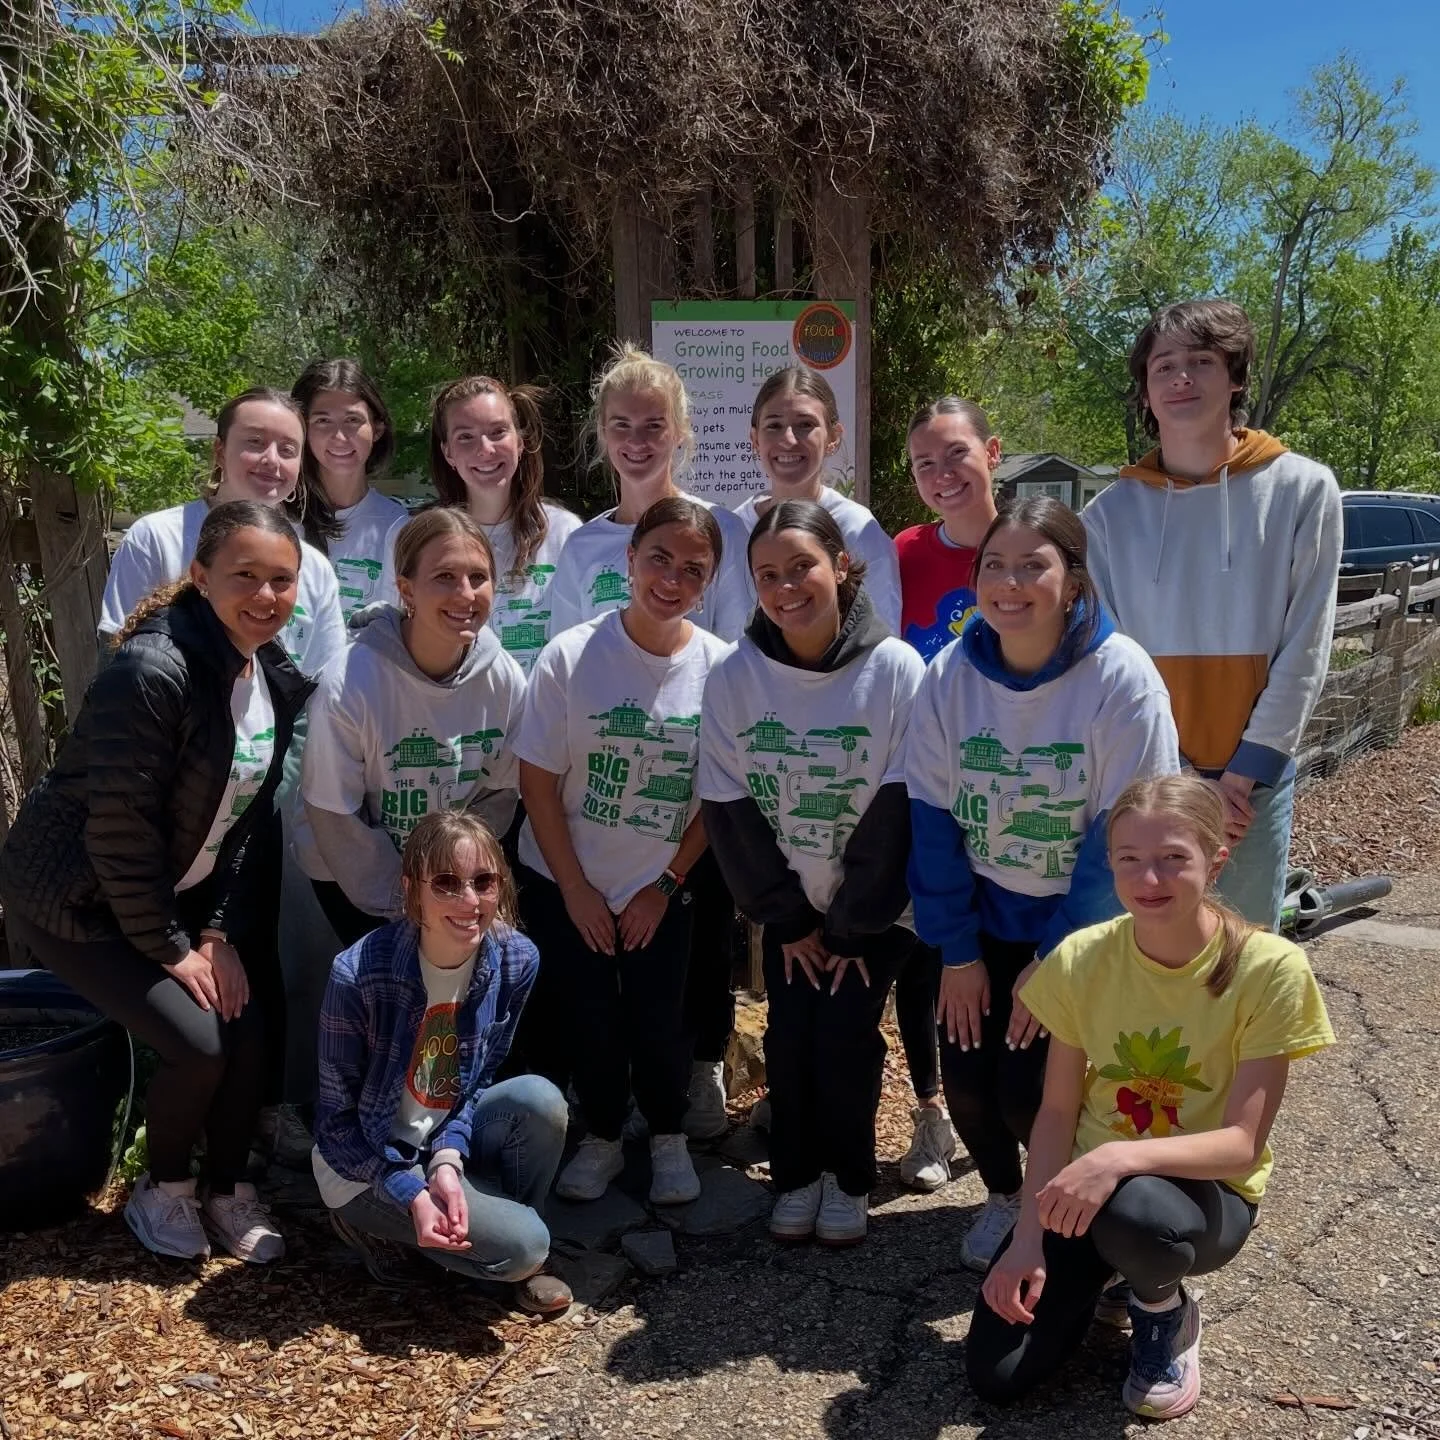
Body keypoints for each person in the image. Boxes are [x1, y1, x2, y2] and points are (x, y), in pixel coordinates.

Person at [0, 502, 314, 1262]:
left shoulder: (267, 674)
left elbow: (241, 823)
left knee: (250, 1023)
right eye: (245, 576)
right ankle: (164, 1188)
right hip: (71, 896)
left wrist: (218, 933)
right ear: (201, 577)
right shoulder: (151, 670)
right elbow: (119, 833)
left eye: (282, 580)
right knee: (200, 1041)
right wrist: (173, 948)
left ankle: (229, 1191)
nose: (266, 595)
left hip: (166, 899)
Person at [967, 775, 1334, 1420]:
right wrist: (1028, 1238)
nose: (1150, 880)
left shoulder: (1269, 968)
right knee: (998, 1376)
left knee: (1135, 1212)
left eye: (1174, 858)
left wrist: (1115, 1160)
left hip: (1197, 1195)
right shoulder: (1082, 957)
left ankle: (1162, 1308)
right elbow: (1056, 1112)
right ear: (1109, 862)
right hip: (1085, 1190)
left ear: (1215, 859)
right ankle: (1105, 1275)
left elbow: (1240, 1145)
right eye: (1130, 859)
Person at [905, 496, 1179, 1272]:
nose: (1010, 583)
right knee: (967, 1081)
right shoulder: (949, 676)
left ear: (1073, 579)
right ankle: (1004, 1195)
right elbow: (932, 820)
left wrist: (1056, 959)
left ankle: (1064, 1206)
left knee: (1034, 1089)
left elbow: (1125, 835)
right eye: (995, 564)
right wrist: (957, 953)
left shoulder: (1121, 679)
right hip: (982, 915)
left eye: (1034, 565)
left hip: (1083, 919)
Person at [699, 499, 924, 1246]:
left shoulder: (894, 670)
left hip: (876, 909)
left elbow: (902, 802)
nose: (787, 586)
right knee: (794, 1038)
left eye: (803, 567)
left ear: (842, 565)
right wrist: (788, 918)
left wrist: (853, 926)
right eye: (768, 574)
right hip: (791, 909)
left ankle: (850, 1177)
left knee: (847, 1037)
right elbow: (728, 805)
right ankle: (797, 1173)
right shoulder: (736, 677)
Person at [1082, 299, 1343, 929]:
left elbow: (1307, 644)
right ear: (1145, 391)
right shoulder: (1107, 517)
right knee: (1133, 956)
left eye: (1202, 361)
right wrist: (1170, 779)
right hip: (1144, 779)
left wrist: (1242, 776)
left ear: (1236, 378)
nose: (1182, 378)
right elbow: (1108, 659)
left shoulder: (1304, 491)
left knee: (1240, 960)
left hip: (1249, 790)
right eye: (1164, 365)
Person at [548, 344, 751, 1138]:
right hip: (608, 763)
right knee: (603, 935)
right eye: (623, 425)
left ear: (682, 434)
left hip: (696, 759)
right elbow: (563, 659)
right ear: (602, 435)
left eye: (655, 425)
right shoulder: (583, 546)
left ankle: (698, 1065)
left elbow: (736, 644)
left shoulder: (718, 529)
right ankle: (609, 1089)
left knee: (695, 926)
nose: (639, 440)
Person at [514, 497, 732, 1206]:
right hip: (565, 875)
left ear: (710, 585)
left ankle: (667, 1136)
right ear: (630, 559)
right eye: (659, 558)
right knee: (588, 1013)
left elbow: (718, 799)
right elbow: (539, 782)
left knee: (662, 1013)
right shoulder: (571, 656)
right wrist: (575, 889)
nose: (672, 579)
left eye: (693, 569)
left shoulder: (720, 671)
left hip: (660, 884)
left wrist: (663, 886)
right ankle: (603, 1135)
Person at [313, 809, 573, 1315]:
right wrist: (410, 1189)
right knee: (526, 1245)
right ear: (413, 892)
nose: (470, 901)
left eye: (483, 881)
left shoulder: (515, 959)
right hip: (364, 1165)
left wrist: (448, 1161)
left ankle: (498, 1247)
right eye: (447, 884)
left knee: (540, 1099)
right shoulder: (358, 975)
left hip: (437, 1138)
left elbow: (474, 1082)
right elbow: (335, 1125)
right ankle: (422, 1237)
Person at [298, 508, 526, 944]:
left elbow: (497, 798)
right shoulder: (351, 681)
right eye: (444, 577)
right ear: (406, 590)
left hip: (450, 880)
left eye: (478, 577)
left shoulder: (506, 681)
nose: (465, 594)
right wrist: (408, 905)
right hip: (353, 875)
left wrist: (450, 889)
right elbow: (336, 817)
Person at [886, 396, 1005, 1194]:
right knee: (918, 959)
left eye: (955, 454)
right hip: (923, 786)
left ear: (991, 453)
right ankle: (932, 1110)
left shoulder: (1027, 546)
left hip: (1013, 795)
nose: (941, 475)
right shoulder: (903, 553)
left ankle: (1019, 1126)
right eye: (924, 463)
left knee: (1004, 959)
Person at [100, 386, 346, 679]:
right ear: (220, 451)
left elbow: (327, 682)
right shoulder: (156, 538)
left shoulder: (315, 568)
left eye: (288, 449)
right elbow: (116, 658)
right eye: (255, 442)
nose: (272, 459)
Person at [379, 375, 582, 675]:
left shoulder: (565, 533)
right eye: (466, 437)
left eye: (498, 431)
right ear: (447, 452)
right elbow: (391, 639)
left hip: (541, 717)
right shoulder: (409, 534)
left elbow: (577, 644)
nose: (485, 449)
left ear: (520, 441)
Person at [735, 365, 902, 636]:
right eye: (774, 426)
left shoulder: (858, 530)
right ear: (755, 439)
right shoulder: (735, 529)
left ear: (833, 437)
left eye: (805, 425)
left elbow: (883, 639)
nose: (788, 439)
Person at [291, 358, 408, 622]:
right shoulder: (278, 520)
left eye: (353, 420)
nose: (340, 436)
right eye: (323, 420)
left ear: (377, 429)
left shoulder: (398, 526)